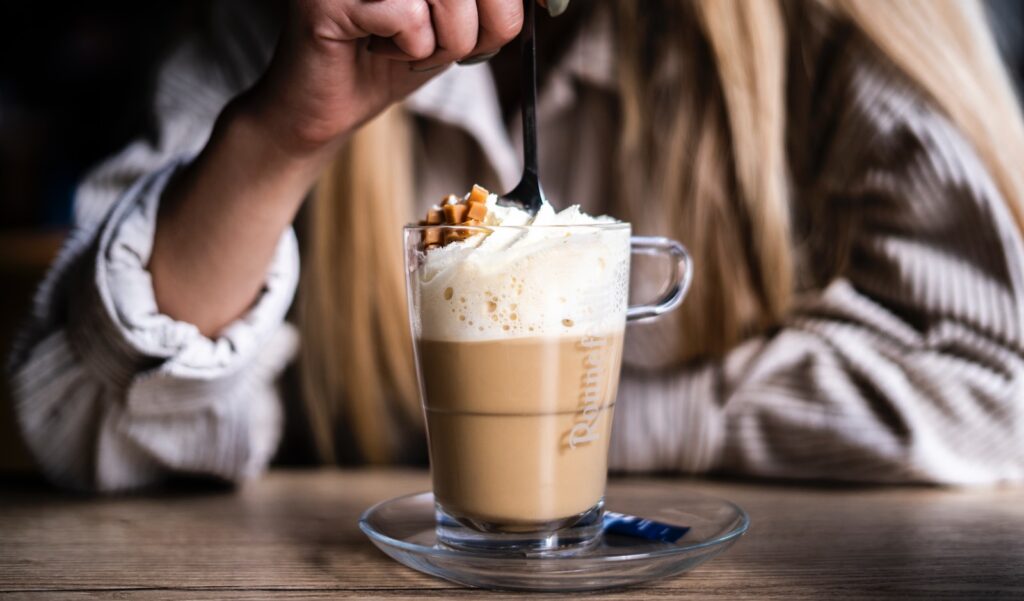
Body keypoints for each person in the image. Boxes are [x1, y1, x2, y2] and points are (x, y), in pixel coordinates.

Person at [9, 0, 1024, 491]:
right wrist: (280, 137)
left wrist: (575, 424)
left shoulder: (833, 26)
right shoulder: (271, 29)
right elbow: (87, 427)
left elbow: (993, 385)